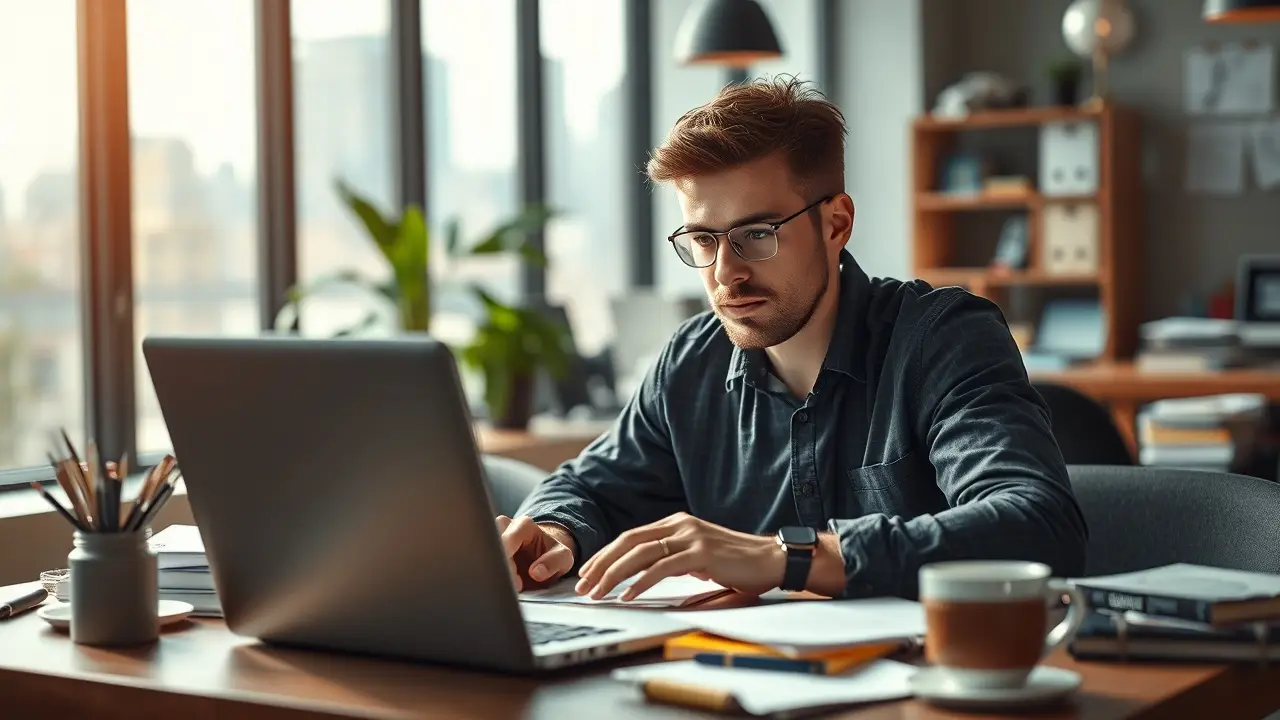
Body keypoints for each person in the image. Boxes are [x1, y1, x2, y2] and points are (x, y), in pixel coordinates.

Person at [496, 76, 1087, 602]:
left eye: (756, 234)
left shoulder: (943, 339)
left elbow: (1036, 524)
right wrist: (552, 534)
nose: (726, 271)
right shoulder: (689, 363)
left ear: (836, 223)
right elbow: (585, 488)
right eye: (703, 240)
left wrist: (787, 558)